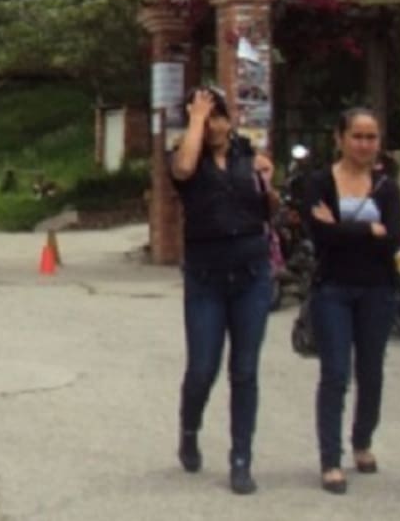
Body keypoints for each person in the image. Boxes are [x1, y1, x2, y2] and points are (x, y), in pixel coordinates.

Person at [170, 86, 275, 495]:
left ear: (230, 121)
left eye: (218, 116)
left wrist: (269, 184)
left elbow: (269, 210)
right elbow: (181, 171)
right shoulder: (185, 159)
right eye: (204, 117)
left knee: (245, 371)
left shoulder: (249, 158)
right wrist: (194, 119)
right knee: (202, 368)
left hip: (251, 273)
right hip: (205, 277)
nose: (212, 124)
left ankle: (241, 458)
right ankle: (189, 429)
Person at [302, 107, 400, 494]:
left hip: (378, 289)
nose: (364, 144)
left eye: (371, 137)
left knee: (372, 371)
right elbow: (320, 235)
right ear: (340, 138)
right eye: (357, 136)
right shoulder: (320, 182)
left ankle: (362, 441)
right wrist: (367, 230)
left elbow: (392, 237)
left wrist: (344, 228)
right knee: (335, 373)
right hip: (333, 289)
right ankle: (330, 459)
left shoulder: (386, 186)